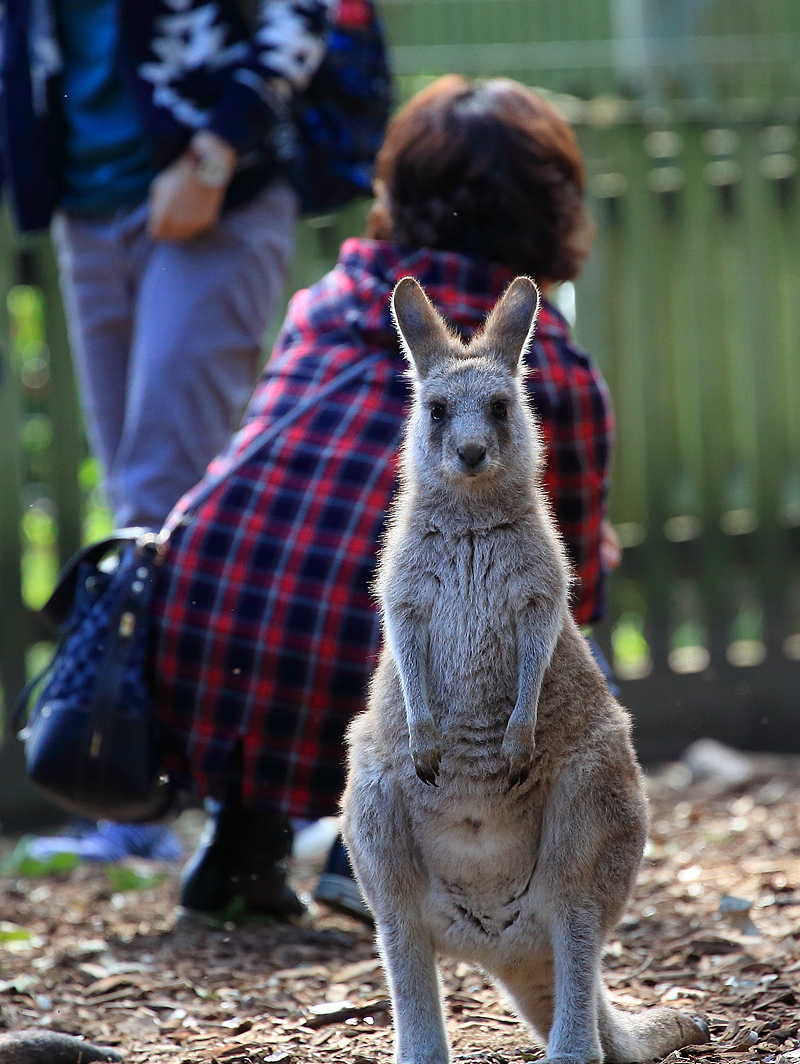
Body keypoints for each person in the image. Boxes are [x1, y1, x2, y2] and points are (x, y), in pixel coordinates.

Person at [147, 74, 618, 920]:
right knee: (543, 623)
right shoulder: (550, 378)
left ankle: (243, 839)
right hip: (363, 678)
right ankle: (386, 846)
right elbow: (568, 561)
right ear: (551, 210)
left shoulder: (323, 307)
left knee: (327, 580)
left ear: (395, 192)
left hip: (198, 649)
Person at [0, 0, 338, 529]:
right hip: (84, 206)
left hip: (217, 197)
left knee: (161, 493)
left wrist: (215, 153)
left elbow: (303, 8)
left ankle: (158, 612)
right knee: (127, 494)